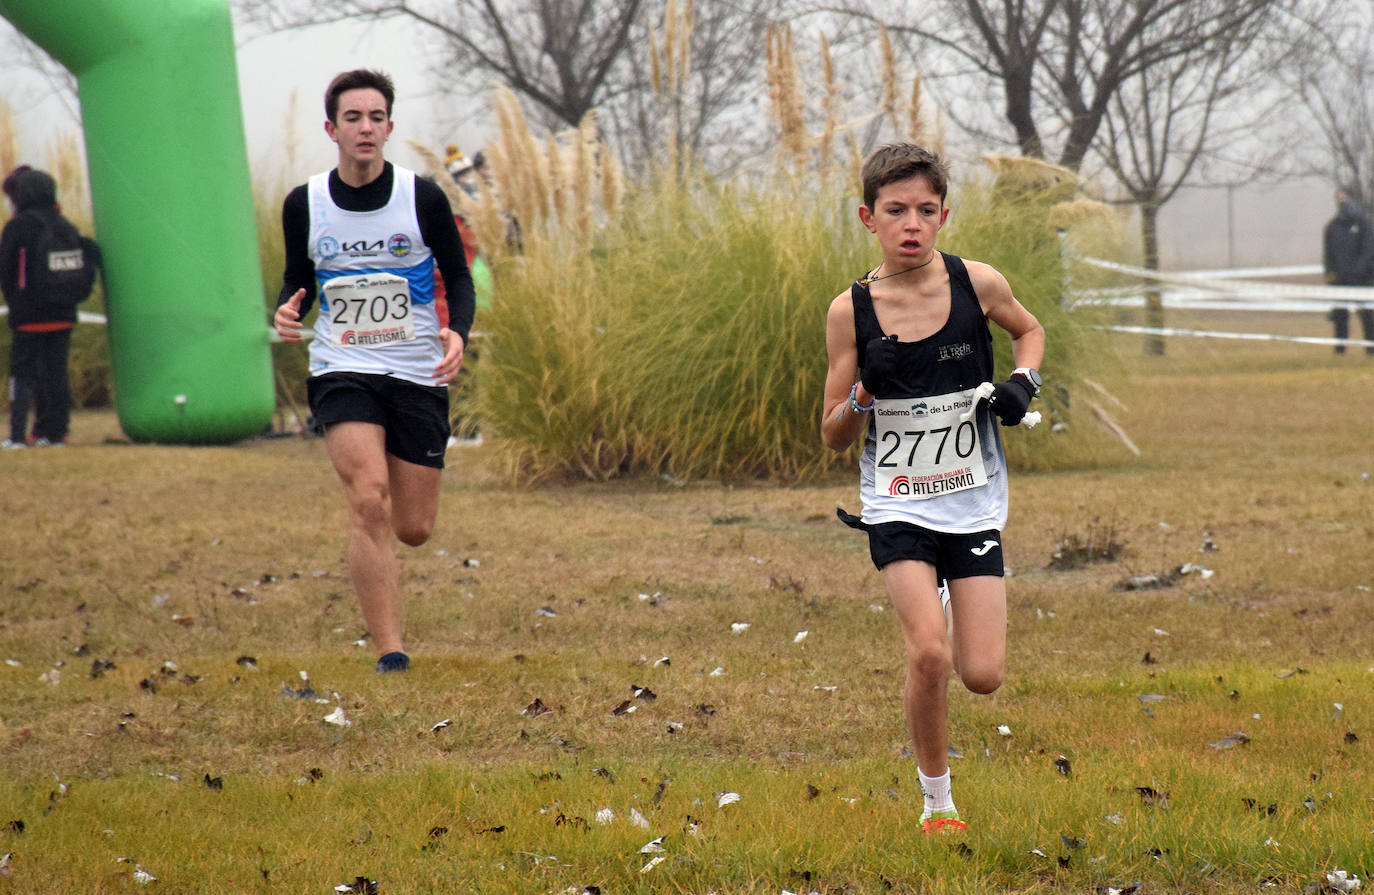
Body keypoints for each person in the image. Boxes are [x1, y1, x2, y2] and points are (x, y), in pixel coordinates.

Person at [821, 144, 1045, 834]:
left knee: (982, 674)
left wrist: (1021, 384)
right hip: (897, 502)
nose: (911, 224)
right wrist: (866, 389)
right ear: (869, 217)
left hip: (972, 499)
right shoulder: (850, 310)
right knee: (929, 653)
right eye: (895, 211)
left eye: (925, 210)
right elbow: (832, 433)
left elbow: (1030, 332)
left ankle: (949, 595)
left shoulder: (977, 283)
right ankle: (937, 804)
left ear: (943, 215)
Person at [273, 69, 475, 673]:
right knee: (367, 499)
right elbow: (297, 277)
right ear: (332, 129)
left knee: (413, 527)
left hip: (415, 369)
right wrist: (289, 306)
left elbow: (459, 277)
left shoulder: (422, 198)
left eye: (377, 117)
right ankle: (391, 652)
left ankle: (402, 497)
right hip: (343, 365)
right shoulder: (304, 203)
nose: (366, 128)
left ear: (390, 127)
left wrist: (457, 333)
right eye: (354, 118)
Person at [1, 165, 101, 449]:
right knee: (57, 373)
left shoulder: (19, 226)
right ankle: (56, 434)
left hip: (29, 315)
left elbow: (6, 269)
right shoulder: (63, 224)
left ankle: (17, 436)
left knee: (22, 374)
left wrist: (16, 302)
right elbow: (88, 252)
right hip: (63, 313)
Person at [1321, 186, 1374, 355]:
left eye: (1344, 198)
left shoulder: (1364, 224)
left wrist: (1360, 270)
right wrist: (1331, 276)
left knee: (1367, 316)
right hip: (1339, 281)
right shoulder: (1332, 227)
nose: (1341, 202)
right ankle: (1340, 349)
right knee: (1339, 317)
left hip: (1362, 279)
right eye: (1339, 198)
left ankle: (1371, 349)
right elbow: (1328, 255)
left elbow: (1369, 250)